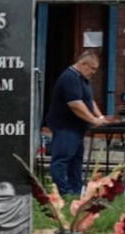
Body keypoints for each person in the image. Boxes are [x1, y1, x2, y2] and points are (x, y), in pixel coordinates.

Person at [45, 50, 109, 197]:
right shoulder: (69, 77)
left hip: (77, 127)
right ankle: (62, 190)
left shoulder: (83, 79)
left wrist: (100, 117)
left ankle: (76, 189)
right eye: (92, 68)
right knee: (62, 158)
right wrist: (92, 120)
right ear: (82, 64)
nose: (93, 72)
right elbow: (75, 104)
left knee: (76, 160)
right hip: (65, 125)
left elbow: (89, 100)